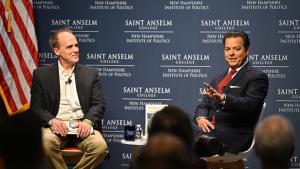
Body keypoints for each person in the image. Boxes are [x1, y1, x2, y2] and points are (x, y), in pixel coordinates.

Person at [30, 28, 108, 169]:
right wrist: (52, 121)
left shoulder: (91, 74)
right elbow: (36, 107)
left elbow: (99, 104)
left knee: (100, 147)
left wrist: (87, 121)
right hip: (56, 126)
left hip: (82, 125)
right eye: (69, 46)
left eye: (76, 45)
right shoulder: (41, 75)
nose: (76, 49)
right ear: (56, 51)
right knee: (45, 142)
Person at [193, 31, 269, 156]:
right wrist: (201, 117)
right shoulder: (217, 79)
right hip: (208, 132)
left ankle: (206, 142)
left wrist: (224, 99)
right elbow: (203, 105)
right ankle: (205, 140)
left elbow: (250, 104)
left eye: (237, 49)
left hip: (231, 136)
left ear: (246, 51)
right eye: (227, 49)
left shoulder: (257, 77)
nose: (231, 53)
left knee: (183, 136)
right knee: (176, 122)